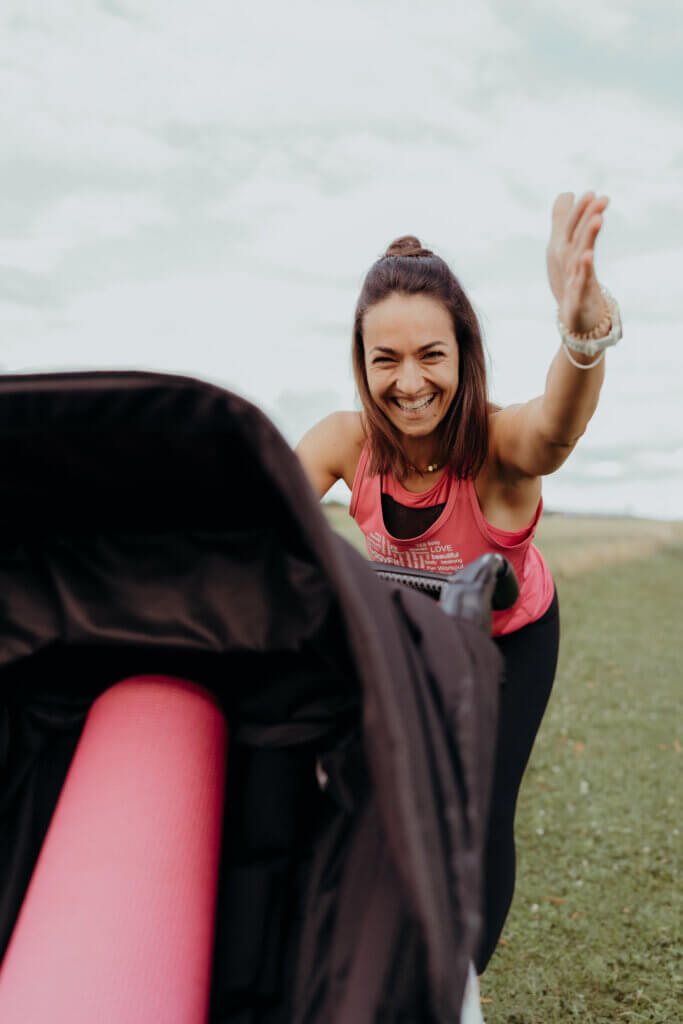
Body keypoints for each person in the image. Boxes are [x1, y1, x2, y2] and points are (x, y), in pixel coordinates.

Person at [296, 191, 622, 972]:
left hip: (509, 641)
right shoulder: (346, 442)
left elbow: (555, 429)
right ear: (361, 361)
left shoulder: (498, 446)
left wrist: (581, 335)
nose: (409, 382)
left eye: (430, 355)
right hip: (411, 639)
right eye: (386, 359)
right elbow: (254, 508)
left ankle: (452, 989)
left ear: (463, 352)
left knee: (474, 814)